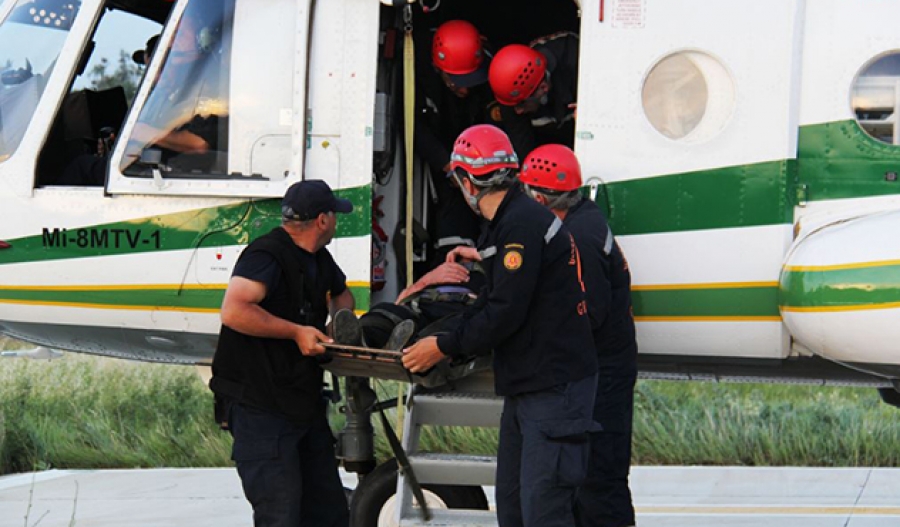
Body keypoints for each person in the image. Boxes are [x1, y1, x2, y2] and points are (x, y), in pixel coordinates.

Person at [402, 124, 600, 527]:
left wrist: (443, 346)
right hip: (529, 384)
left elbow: (505, 312)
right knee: (513, 508)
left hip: (553, 387)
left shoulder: (519, 225)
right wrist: (445, 335)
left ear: (465, 181)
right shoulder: (506, 221)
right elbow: (495, 299)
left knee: (543, 513)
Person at [208, 179, 355, 527]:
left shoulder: (319, 258)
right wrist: (296, 332)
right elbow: (234, 310)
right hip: (260, 407)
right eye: (334, 215)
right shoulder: (266, 255)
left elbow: (343, 296)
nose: (336, 221)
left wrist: (336, 327)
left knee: (329, 513)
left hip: (301, 402)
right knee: (280, 514)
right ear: (322, 220)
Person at [519, 144, 638, 527]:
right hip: (603, 365)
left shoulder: (579, 238)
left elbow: (588, 314)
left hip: (603, 372)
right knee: (590, 478)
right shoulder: (581, 218)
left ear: (539, 198)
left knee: (599, 478)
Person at [416, 20, 497, 265]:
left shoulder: (491, 71)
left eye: (471, 80)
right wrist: (446, 164)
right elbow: (413, 127)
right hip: (443, 153)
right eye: (457, 82)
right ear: (437, 68)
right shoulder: (417, 73)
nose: (465, 89)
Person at [488, 32, 579, 157]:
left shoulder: (578, 61)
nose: (518, 111)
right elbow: (523, 151)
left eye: (521, 104)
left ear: (543, 87)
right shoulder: (511, 94)